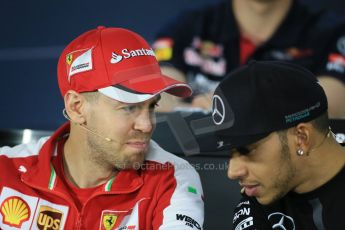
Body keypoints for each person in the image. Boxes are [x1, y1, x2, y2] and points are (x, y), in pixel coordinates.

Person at [0, 26, 204, 230]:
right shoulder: (5, 170)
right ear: (76, 107)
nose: (147, 125)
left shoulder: (171, 178)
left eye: (152, 106)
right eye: (129, 107)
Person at [209, 60, 345, 229]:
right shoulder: (261, 197)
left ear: (301, 138)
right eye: (230, 152)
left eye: (247, 150)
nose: (232, 172)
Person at [153, 0, 345, 118]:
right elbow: (157, 95)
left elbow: (330, 106)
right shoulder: (187, 26)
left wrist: (238, 103)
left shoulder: (333, 33)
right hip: (197, 164)